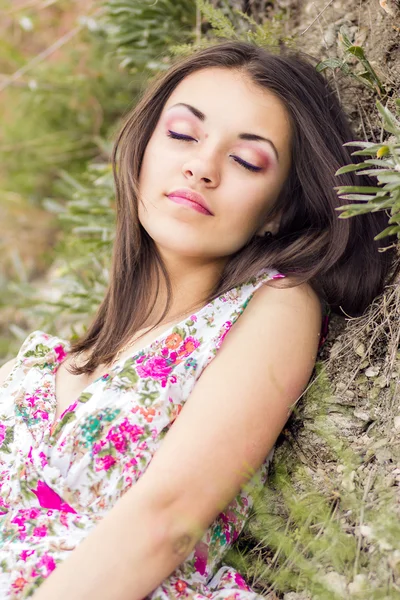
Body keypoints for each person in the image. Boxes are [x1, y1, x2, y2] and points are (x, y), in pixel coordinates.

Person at [0, 40, 395, 600]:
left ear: (277, 210)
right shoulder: (42, 366)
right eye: (183, 134)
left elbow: (166, 522)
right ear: (142, 150)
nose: (201, 166)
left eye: (246, 160)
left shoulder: (274, 308)